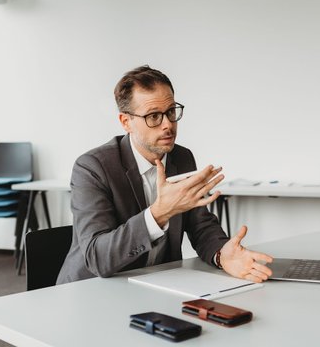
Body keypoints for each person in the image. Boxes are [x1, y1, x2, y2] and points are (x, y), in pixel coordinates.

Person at [56, 65, 273, 284]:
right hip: (92, 288)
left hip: (157, 283)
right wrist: (158, 214)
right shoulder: (92, 167)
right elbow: (97, 257)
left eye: (171, 112)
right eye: (153, 116)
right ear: (126, 122)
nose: (168, 125)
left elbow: (201, 226)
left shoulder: (182, 157)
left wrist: (222, 254)